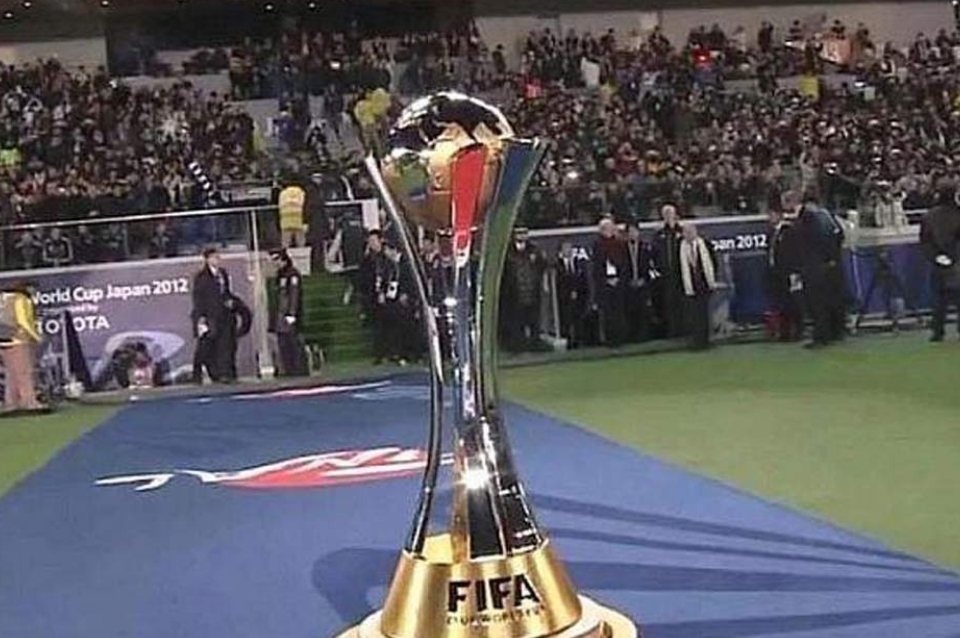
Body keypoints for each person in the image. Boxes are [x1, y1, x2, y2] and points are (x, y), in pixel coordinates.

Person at [796, 196, 847, 348]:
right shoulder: (830, 218)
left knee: (817, 304)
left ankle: (821, 336)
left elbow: (806, 241)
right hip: (831, 266)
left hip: (815, 267)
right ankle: (836, 331)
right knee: (832, 301)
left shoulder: (809, 221)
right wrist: (832, 257)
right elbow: (839, 236)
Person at [919, 192, 960, 342]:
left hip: (938, 261)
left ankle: (937, 331)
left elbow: (925, 241)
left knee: (938, 299)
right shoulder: (957, 214)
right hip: (957, 260)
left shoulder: (928, 216)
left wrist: (936, 256)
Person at [191, 247, 233, 383]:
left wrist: (228, 301)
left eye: (218, 257)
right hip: (209, 316)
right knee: (205, 346)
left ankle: (222, 374)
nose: (217, 260)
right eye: (214, 257)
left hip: (223, 315)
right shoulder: (201, 277)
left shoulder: (223, 274)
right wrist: (201, 317)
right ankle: (198, 373)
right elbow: (198, 298)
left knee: (223, 346)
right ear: (207, 259)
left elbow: (226, 292)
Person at [0, 283, 43, 412]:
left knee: (11, 373)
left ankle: (11, 402)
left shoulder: (4, 299)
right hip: (18, 339)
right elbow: (22, 320)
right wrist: (36, 336)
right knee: (23, 372)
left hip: (3, 339)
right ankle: (29, 402)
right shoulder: (20, 299)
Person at [504, 228, 545, 351]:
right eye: (519, 233)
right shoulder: (508, 251)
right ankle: (518, 345)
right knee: (517, 322)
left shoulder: (534, 249)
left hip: (532, 292)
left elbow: (542, 266)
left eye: (524, 233)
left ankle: (535, 344)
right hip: (514, 293)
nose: (522, 236)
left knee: (534, 321)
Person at [766, 208, 804, 341]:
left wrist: (795, 271)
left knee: (793, 302)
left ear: (779, 215)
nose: (770, 218)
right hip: (776, 273)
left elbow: (795, 252)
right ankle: (784, 332)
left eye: (772, 215)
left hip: (789, 272)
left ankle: (798, 330)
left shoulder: (789, 231)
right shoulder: (771, 233)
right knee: (781, 303)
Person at [591, 217, 629, 347]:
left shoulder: (619, 243)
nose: (608, 230)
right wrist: (605, 280)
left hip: (618, 281)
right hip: (604, 284)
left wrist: (619, 278)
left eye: (610, 227)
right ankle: (609, 340)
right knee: (607, 313)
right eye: (605, 228)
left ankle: (621, 338)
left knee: (619, 311)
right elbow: (597, 267)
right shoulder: (597, 244)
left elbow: (624, 263)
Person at [270, 249, 308, 376]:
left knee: (294, 344)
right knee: (284, 345)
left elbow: (294, 295)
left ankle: (298, 370)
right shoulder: (279, 275)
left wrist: (292, 314)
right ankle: (289, 369)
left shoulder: (292, 274)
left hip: (289, 317)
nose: (275, 263)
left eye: (276, 259)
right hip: (280, 317)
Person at [679, 223, 717, 350]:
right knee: (693, 316)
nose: (689, 234)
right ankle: (696, 341)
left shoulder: (705, 245)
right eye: (686, 232)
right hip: (690, 286)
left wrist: (712, 280)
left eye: (691, 232)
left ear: (696, 232)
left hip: (704, 284)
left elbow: (713, 262)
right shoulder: (681, 248)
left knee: (704, 314)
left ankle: (706, 340)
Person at [652, 204, 684, 338]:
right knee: (668, 304)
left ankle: (685, 330)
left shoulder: (682, 232)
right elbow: (655, 254)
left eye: (670, 213)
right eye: (665, 214)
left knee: (683, 302)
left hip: (681, 275)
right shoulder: (659, 234)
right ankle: (672, 331)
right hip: (666, 276)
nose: (668, 216)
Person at [554, 240, 590, 349]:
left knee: (578, 320)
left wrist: (579, 292)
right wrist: (568, 293)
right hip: (564, 299)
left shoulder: (578, 263)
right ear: (561, 251)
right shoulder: (557, 265)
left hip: (579, 297)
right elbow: (558, 283)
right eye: (565, 248)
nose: (568, 250)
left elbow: (584, 280)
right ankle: (568, 341)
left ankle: (580, 341)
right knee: (566, 321)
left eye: (569, 248)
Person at [624, 224, 654, 342]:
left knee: (644, 311)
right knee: (631, 311)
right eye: (630, 231)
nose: (632, 234)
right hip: (628, 286)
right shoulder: (622, 248)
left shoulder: (645, 247)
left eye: (634, 231)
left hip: (643, 284)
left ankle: (644, 336)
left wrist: (644, 279)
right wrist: (628, 280)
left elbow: (649, 266)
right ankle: (632, 336)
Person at [278, 180, 307, 248]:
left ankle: (285, 252)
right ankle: (302, 253)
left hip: (286, 220)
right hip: (299, 219)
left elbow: (281, 205)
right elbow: (304, 204)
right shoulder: (301, 192)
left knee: (286, 241)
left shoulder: (283, 193)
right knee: (300, 240)